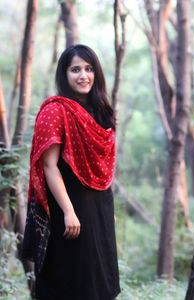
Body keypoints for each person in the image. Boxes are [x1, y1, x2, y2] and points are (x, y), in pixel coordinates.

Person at [22, 44, 121, 300]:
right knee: (71, 279)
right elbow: (48, 165)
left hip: (98, 206)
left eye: (88, 69)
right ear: (64, 75)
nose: (83, 75)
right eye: (75, 69)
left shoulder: (100, 112)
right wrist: (68, 212)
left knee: (99, 279)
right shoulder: (55, 111)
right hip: (69, 208)